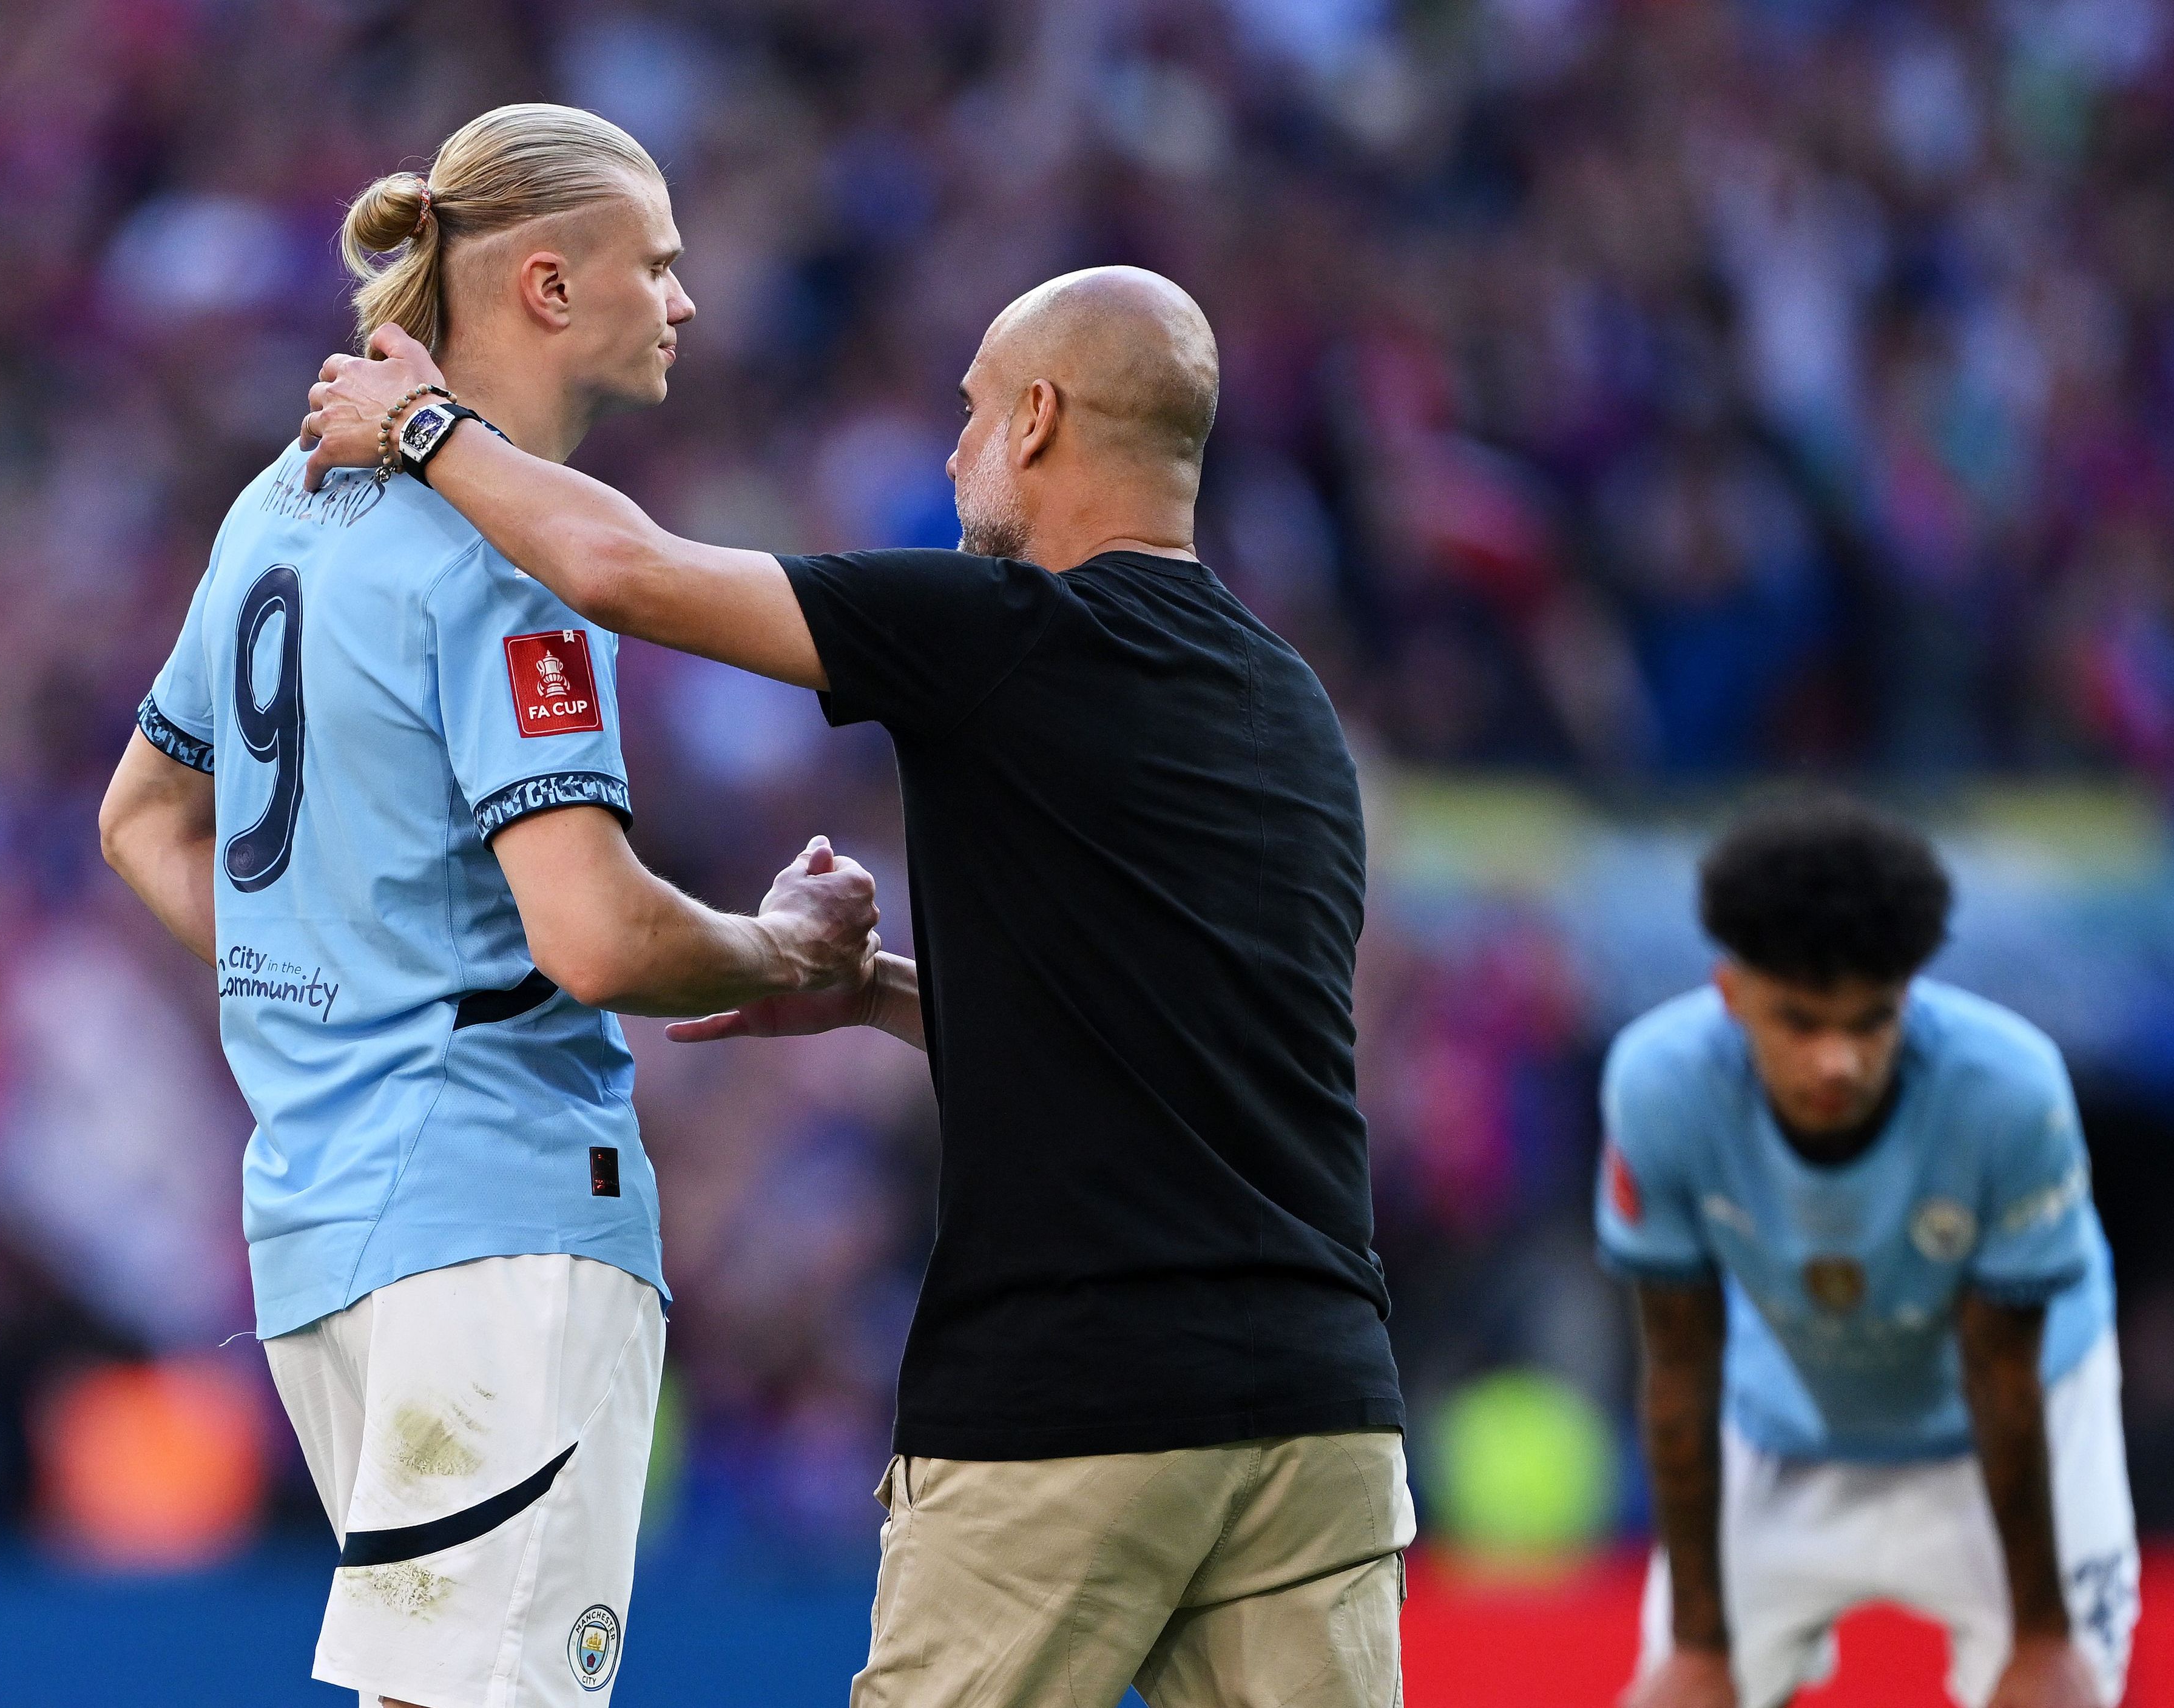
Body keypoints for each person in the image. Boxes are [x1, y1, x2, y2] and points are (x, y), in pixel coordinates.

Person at [294, 266, 1413, 1707]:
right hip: (1323, 1420)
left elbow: (624, 572)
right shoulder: (1293, 707)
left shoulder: (1001, 632)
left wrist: (426, 425)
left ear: (1038, 417)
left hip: (1075, 1396)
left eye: (964, 415)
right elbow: (1181, 1050)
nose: (948, 455)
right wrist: (879, 989)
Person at [96, 104, 880, 1708]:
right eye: (654, 266)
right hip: (496, 1216)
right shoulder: (510, 559)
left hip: (318, 1226)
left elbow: (140, 823)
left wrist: (326, 990)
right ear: (542, 285)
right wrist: (779, 952)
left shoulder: (273, 507)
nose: (681, 302)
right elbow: (590, 937)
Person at [1599, 798, 2136, 1708]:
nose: (1837, 1062)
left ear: (1910, 994)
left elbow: (2002, 1374)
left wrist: (2043, 1639)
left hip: (2020, 1419)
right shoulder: (1661, 1089)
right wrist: (1697, 1646)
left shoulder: (2010, 1094)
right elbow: (1680, 1367)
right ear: (1731, 994)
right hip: (1790, 1415)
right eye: (1801, 1024)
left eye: (1870, 1022)